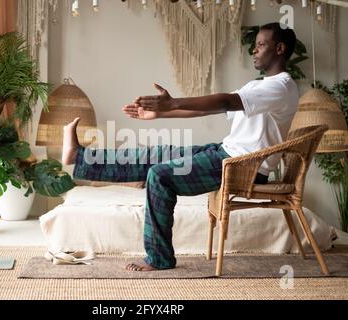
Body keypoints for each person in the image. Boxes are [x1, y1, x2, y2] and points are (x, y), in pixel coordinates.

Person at [62, 22, 299, 272]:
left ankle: (159, 258)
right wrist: (161, 114)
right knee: (158, 155)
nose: (254, 50)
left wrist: (172, 103)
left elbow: (225, 101)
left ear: (280, 48)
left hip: (244, 167)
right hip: (227, 154)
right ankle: (80, 156)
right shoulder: (260, 85)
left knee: (160, 175)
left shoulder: (280, 87)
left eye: (261, 44)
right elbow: (214, 107)